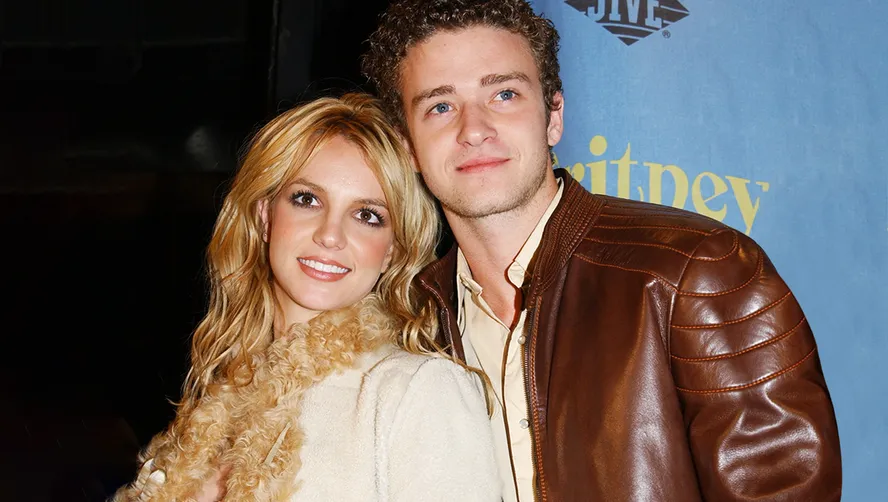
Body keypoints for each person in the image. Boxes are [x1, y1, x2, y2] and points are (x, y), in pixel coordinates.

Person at [361, 1, 843, 500]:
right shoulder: (410, 323)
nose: (474, 129)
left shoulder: (695, 273)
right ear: (407, 146)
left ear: (553, 116)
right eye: (440, 106)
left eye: (504, 94)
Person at [111, 93, 500, 501]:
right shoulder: (219, 402)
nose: (330, 235)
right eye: (307, 199)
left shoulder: (419, 391)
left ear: (391, 250)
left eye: (367, 215)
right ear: (266, 216)